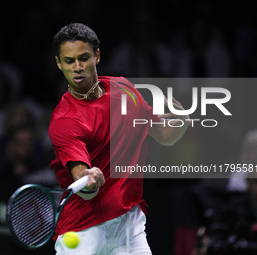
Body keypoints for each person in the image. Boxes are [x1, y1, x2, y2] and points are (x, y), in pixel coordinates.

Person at [49, 23, 190, 255]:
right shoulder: (65, 120)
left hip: (129, 225)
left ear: (97, 56)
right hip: (84, 231)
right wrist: (89, 180)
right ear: (58, 63)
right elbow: (83, 182)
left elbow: (165, 136)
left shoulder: (124, 90)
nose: (77, 67)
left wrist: (182, 120)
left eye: (83, 58)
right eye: (68, 61)